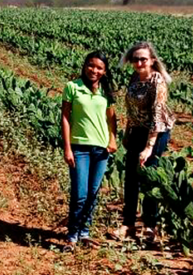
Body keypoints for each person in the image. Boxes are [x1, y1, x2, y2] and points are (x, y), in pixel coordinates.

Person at [114, 41, 175, 242]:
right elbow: (131, 109)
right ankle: (128, 224)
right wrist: (127, 132)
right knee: (131, 176)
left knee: (149, 176)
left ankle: (151, 226)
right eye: (135, 59)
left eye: (143, 59)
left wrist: (149, 148)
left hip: (156, 133)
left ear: (152, 61)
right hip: (137, 130)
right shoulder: (134, 77)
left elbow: (157, 115)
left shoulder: (157, 82)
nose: (139, 62)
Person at [61, 51, 118, 251]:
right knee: (80, 194)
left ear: (104, 71)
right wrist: (67, 147)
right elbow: (66, 118)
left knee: (93, 194)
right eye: (91, 65)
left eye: (99, 67)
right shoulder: (72, 87)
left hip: (101, 150)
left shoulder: (106, 91)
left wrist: (112, 139)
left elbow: (112, 118)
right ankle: (72, 236)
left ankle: (84, 233)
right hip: (79, 148)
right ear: (85, 65)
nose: (94, 70)